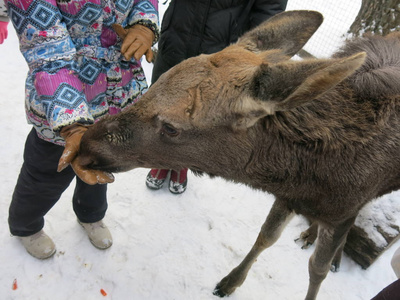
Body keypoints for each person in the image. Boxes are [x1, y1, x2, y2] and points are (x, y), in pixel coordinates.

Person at [5, 0, 159, 259]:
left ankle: (91, 215)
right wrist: (72, 125)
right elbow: (46, 53)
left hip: (114, 94)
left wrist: (144, 25)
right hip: (59, 108)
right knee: (45, 175)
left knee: (99, 168)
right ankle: (26, 226)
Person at [145, 0, 288, 194]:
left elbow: (270, 8)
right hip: (178, 33)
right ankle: (160, 160)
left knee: (198, 116)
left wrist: (252, 53)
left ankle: (181, 164)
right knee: (163, 106)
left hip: (222, 48)